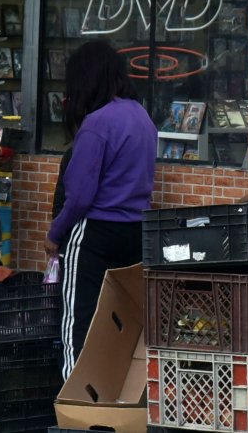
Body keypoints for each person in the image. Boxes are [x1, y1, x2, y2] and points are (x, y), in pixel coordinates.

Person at [45, 40, 155, 379]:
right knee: (119, 321)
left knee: (78, 320)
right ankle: (113, 395)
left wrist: (55, 234)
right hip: (136, 233)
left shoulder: (97, 123)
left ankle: (72, 397)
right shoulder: (143, 118)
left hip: (95, 233)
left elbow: (79, 197)